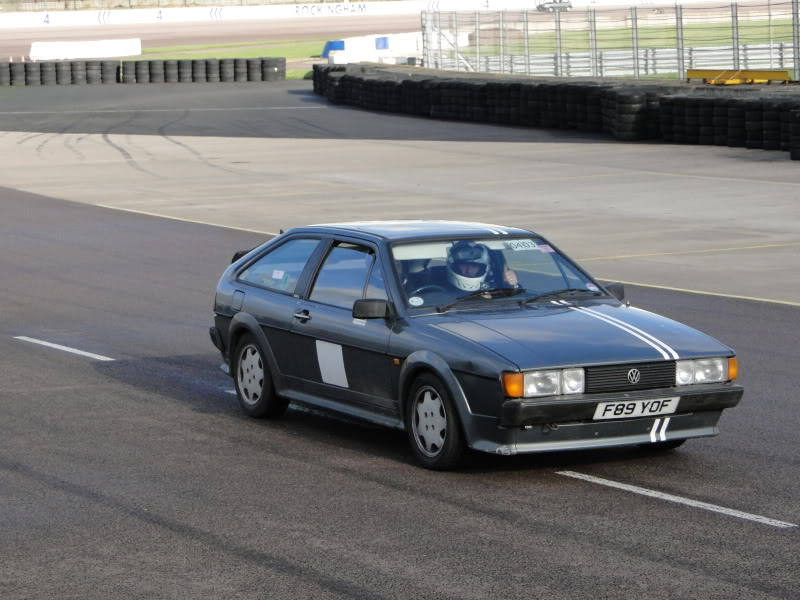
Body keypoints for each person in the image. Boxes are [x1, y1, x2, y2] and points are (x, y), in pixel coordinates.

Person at [446, 241, 518, 292]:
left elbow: (516, 297)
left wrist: (514, 285)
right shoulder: (439, 286)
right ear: (454, 265)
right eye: (464, 265)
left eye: (474, 266)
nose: (469, 270)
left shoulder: (488, 286)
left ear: (483, 268)